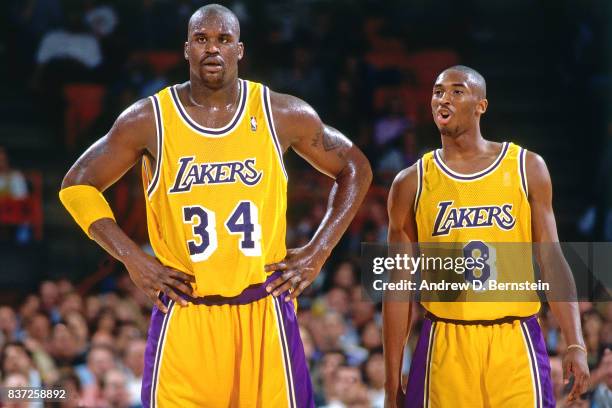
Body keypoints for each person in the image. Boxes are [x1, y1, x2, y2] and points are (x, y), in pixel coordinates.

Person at [59, 4, 371, 407]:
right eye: (201, 39)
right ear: (186, 49)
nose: (212, 48)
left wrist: (319, 250)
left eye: (223, 39)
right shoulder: (149, 119)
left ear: (239, 50)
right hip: (187, 312)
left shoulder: (279, 113)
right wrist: (134, 260)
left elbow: (355, 167)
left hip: (263, 309)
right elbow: (77, 186)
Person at [383, 65, 589, 407]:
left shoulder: (526, 167)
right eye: (437, 91)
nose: (443, 99)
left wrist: (575, 343)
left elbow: (552, 260)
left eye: (457, 91)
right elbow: (398, 286)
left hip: (515, 338)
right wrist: (391, 383)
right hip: (445, 339)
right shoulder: (411, 182)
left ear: (481, 105)